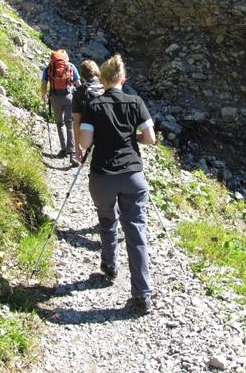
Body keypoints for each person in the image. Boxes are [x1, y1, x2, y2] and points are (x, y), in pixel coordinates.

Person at [79, 55, 157, 314]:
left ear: (102, 79)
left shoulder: (94, 104)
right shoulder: (136, 102)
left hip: (102, 175)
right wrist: (129, 136)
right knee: (136, 231)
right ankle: (142, 295)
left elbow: (84, 144)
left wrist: (102, 135)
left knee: (107, 220)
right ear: (123, 79)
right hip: (133, 174)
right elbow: (150, 138)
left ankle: (109, 266)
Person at [40, 49, 81, 167]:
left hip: (54, 98)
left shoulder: (49, 68)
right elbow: (79, 85)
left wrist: (43, 95)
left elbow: (43, 85)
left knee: (59, 123)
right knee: (70, 124)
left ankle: (63, 149)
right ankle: (72, 153)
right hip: (69, 98)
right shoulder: (71, 66)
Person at [72, 60, 104, 163]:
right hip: (109, 134)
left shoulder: (79, 92)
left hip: (89, 135)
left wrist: (77, 148)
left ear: (82, 74)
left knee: (95, 166)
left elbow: (76, 122)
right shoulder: (106, 87)